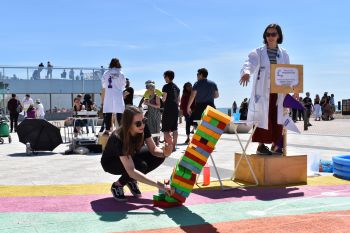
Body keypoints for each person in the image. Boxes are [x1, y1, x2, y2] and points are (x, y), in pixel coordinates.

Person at [100, 106, 173, 201]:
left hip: (130, 154)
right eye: (138, 123)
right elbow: (131, 170)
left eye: (144, 120)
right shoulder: (118, 138)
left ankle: (130, 180)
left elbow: (154, 149)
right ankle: (117, 185)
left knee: (159, 157)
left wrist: (166, 151)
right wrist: (160, 185)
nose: (142, 125)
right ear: (128, 124)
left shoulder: (143, 127)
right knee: (140, 166)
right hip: (111, 163)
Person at [239, 23, 290, 155]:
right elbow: (249, 62)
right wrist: (246, 72)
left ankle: (276, 146)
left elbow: (290, 72)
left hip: (278, 92)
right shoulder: (259, 52)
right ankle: (261, 146)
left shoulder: (284, 54)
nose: (270, 37)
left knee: (277, 118)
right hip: (263, 92)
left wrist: (294, 91)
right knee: (263, 118)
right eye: (268, 34)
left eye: (273, 34)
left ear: (278, 36)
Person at [101, 58, 126, 135]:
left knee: (108, 112)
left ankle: (107, 129)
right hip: (118, 95)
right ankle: (122, 130)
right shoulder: (121, 73)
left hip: (109, 94)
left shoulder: (106, 73)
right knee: (119, 113)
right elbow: (123, 85)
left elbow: (103, 85)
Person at [162, 70, 180, 152]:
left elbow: (164, 99)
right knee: (174, 129)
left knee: (165, 130)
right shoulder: (177, 87)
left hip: (168, 109)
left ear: (168, 77)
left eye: (164, 76)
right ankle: (173, 147)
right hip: (175, 109)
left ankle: (170, 145)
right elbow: (178, 100)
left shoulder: (165, 86)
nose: (164, 78)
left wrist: (159, 98)